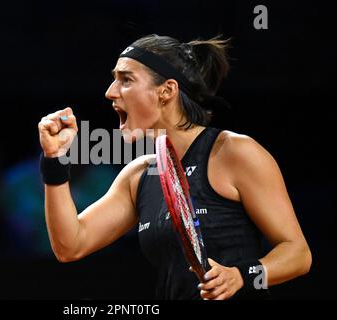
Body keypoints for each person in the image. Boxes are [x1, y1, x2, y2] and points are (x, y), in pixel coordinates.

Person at [37, 34, 312, 299]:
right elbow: (70, 246)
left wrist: (242, 275)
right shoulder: (138, 175)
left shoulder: (234, 152)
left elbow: (298, 254)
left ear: (166, 91)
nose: (110, 92)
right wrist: (55, 160)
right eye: (114, 80)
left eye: (126, 80)